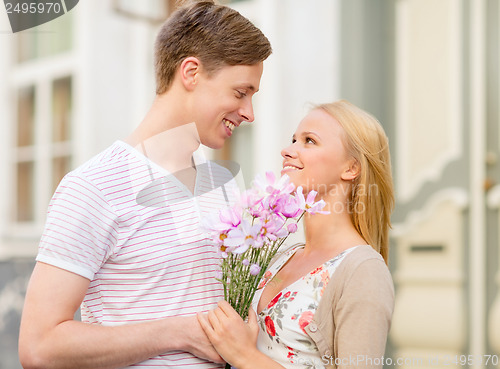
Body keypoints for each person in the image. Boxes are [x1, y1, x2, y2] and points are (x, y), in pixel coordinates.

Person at [18, 1, 272, 368]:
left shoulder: (223, 185)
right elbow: (39, 346)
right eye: (240, 92)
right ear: (190, 73)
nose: (249, 112)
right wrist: (179, 333)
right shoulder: (92, 188)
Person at [198, 100, 395, 369]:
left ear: (351, 168)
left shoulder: (363, 272)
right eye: (293, 139)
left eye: (309, 141)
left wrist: (244, 356)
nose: (287, 150)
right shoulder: (280, 256)